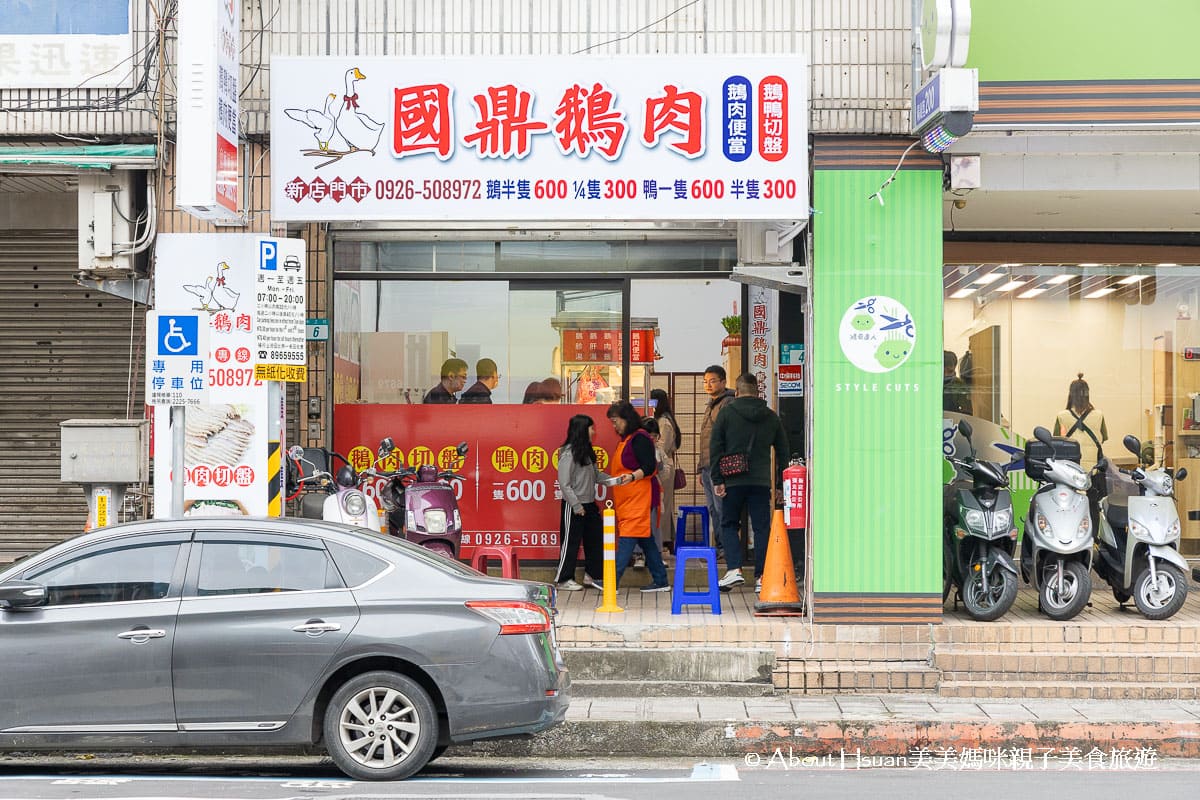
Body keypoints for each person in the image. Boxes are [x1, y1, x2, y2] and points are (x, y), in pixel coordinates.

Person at [710, 373, 790, 593]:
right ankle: (762, 577)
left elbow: (715, 448)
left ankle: (734, 570)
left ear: (737, 392)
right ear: (757, 392)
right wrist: (781, 485)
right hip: (761, 482)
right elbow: (784, 451)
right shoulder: (771, 416)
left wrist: (718, 479)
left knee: (728, 524)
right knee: (762, 527)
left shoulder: (726, 414)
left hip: (733, 480)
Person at [606, 400, 670, 592]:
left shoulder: (640, 438)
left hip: (638, 499)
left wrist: (632, 476)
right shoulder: (626, 439)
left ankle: (611, 581)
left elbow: (649, 466)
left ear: (626, 418)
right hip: (628, 500)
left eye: (615, 420)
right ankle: (661, 580)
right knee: (646, 539)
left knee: (627, 537)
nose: (614, 425)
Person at [555, 414, 610, 592]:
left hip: (589, 504)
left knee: (594, 540)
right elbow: (564, 483)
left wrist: (616, 480)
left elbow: (597, 476)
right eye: (591, 428)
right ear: (582, 429)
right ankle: (563, 579)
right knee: (570, 542)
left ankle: (592, 575)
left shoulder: (587, 451)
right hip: (574, 506)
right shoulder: (568, 453)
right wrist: (576, 506)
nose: (594, 431)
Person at [697, 365, 735, 549]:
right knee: (713, 509)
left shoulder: (727, 403)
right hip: (707, 466)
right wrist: (699, 468)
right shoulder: (711, 404)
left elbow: (724, 437)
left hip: (719, 466)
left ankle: (728, 548)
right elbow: (705, 438)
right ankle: (721, 547)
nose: (708, 385)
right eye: (705, 381)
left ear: (723, 382)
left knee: (722, 508)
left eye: (712, 381)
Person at [1053, 372, 1108, 471]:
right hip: (1094, 469)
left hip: (1070, 468)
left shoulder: (1062, 416)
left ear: (1070, 394)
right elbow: (1103, 438)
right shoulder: (1099, 415)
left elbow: (1057, 441)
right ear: (1087, 394)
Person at [651, 388, 681, 554]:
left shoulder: (664, 422)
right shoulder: (664, 420)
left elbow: (662, 446)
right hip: (662, 464)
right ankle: (665, 539)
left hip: (663, 466)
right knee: (663, 505)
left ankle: (661, 540)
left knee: (662, 504)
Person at [943, 350, 972, 415]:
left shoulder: (958, 384)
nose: (946, 375)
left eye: (949, 371)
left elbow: (967, 410)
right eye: (942, 371)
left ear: (954, 369)